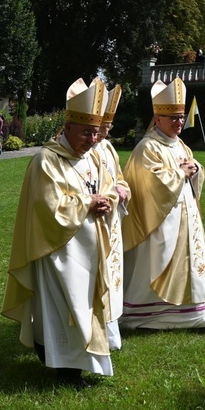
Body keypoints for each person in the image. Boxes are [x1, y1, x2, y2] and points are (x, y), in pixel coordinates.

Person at [1, 77, 119, 388]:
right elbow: (47, 205)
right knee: (64, 310)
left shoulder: (93, 158)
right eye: (85, 132)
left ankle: (75, 366)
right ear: (67, 128)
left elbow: (107, 187)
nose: (91, 139)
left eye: (95, 132)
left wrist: (109, 201)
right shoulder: (46, 160)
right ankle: (65, 369)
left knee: (84, 308)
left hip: (91, 252)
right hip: (58, 253)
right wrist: (88, 203)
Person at [119, 77, 205, 334]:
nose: (179, 122)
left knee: (192, 260)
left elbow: (191, 168)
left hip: (185, 217)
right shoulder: (147, 147)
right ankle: (144, 318)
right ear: (158, 120)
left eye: (181, 117)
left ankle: (197, 317)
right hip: (157, 222)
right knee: (158, 260)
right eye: (174, 118)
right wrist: (180, 173)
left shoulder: (179, 144)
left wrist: (195, 169)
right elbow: (149, 183)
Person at [91, 85, 130, 351]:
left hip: (112, 220)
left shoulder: (107, 148)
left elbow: (119, 177)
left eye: (109, 125)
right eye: (103, 124)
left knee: (112, 272)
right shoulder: (85, 147)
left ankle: (112, 329)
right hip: (93, 218)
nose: (106, 131)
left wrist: (123, 189)